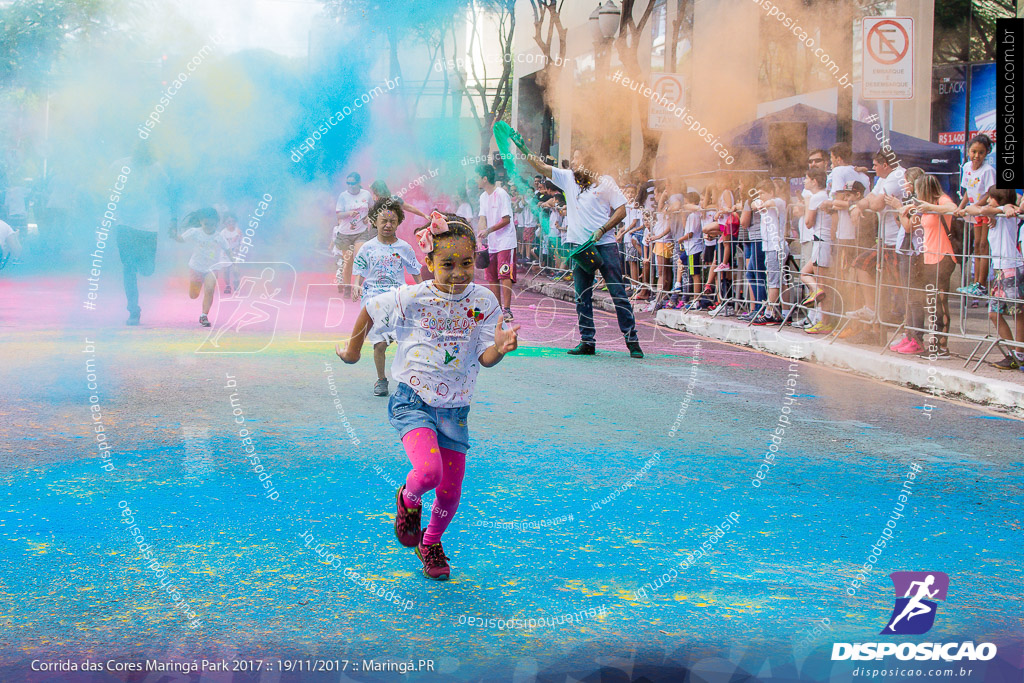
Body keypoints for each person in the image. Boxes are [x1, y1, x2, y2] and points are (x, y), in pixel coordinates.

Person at [335, 213, 519, 580]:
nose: (458, 272)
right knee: (429, 473)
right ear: (429, 263)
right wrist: (354, 351)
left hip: (455, 410)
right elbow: (370, 310)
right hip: (412, 400)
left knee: (450, 495)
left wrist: (499, 348)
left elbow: (485, 358)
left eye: (466, 263)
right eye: (447, 264)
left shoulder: (483, 301)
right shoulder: (413, 296)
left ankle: (430, 542)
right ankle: (409, 498)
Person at [525, 150, 644, 358]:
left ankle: (632, 341)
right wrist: (523, 148)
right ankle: (587, 341)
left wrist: (603, 229)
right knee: (582, 295)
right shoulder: (568, 178)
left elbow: (622, 210)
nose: (573, 161)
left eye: (578, 157)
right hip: (579, 247)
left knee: (618, 294)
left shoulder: (605, 181)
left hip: (604, 245)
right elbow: (541, 168)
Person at [352, 197, 423, 396]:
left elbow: (416, 271)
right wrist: (357, 285)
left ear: (398, 222)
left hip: (398, 299)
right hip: (374, 300)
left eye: (392, 221)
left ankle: (408, 380)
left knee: (406, 343)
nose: (388, 225)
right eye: (384, 221)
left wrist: (426, 291)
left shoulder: (405, 248)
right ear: (375, 221)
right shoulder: (367, 247)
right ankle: (381, 380)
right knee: (380, 343)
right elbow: (359, 270)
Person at [114, 143, 176, 326]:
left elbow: (169, 192)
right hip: (125, 224)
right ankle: (133, 310)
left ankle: (142, 264)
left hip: (148, 225)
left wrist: (173, 219)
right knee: (128, 267)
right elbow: (106, 190)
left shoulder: (156, 168)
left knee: (148, 270)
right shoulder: (119, 166)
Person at [965, 189, 1024, 369]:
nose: (987, 201)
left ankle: (1019, 353)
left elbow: (981, 210)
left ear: (998, 199)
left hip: (1011, 267)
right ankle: (1015, 352)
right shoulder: (999, 213)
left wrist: (1005, 207)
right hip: (1000, 268)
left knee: (1018, 313)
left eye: (990, 197)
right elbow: (972, 209)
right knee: (994, 313)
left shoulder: (1010, 215)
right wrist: (1000, 209)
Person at [170, 207, 233, 327]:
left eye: (212, 224)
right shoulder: (195, 232)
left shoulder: (219, 236)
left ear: (217, 223)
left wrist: (234, 263)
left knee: (209, 290)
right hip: (196, 267)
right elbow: (181, 239)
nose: (209, 227)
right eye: (206, 224)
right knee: (194, 295)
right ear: (201, 221)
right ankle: (194, 290)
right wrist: (174, 236)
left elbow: (228, 250)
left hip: (212, 268)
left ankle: (204, 316)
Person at [956, 134, 997, 301]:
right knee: (976, 245)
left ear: (986, 153)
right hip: (974, 211)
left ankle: (981, 283)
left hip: (983, 211)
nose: (976, 156)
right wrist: (960, 207)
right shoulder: (966, 167)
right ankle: (975, 282)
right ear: (968, 151)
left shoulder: (988, 171)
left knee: (983, 245)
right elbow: (967, 191)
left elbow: (989, 193)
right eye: (973, 151)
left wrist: (977, 207)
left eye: (981, 152)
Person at [474, 164, 518, 320]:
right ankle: (496, 310)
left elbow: (506, 219)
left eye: (477, 177)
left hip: (506, 241)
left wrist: (488, 231)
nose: (475, 180)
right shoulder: (483, 197)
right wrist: (480, 238)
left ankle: (507, 310)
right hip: (492, 243)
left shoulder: (501, 194)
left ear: (485, 179)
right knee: (491, 276)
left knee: (504, 274)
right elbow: (482, 218)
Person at [800, 169, 834, 334]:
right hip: (820, 241)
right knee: (805, 273)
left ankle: (825, 321)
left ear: (814, 181)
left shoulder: (817, 197)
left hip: (822, 241)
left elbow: (808, 222)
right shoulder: (823, 196)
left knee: (823, 285)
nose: (804, 182)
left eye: (806, 178)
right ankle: (822, 318)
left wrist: (807, 203)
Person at [751, 181, 787, 325]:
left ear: (771, 192)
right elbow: (754, 204)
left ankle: (769, 313)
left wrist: (763, 203)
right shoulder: (761, 202)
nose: (760, 196)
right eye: (759, 193)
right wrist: (759, 202)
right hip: (769, 245)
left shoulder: (779, 202)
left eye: (763, 193)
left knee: (774, 280)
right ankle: (785, 312)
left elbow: (772, 202)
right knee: (781, 279)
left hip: (776, 246)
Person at [334, 172, 373, 300]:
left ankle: (357, 286)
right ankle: (347, 287)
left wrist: (369, 217)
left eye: (353, 183)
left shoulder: (366, 194)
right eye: (348, 183)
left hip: (361, 232)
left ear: (359, 183)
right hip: (345, 233)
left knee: (359, 258)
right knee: (348, 262)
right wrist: (349, 213)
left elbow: (373, 208)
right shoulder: (343, 196)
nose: (350, 186)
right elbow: (339, 215)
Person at [220, 212, 242, 294]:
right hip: (225, 254)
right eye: (229, 221)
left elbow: (241, 242)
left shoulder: (238, 231)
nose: (231, 223)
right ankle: (228, 286)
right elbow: (220, 244)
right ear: (225, 223)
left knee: (235, 270)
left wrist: (238, 249)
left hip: (235, 254)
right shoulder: (223, 233)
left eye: (233, 221)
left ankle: (236, 284)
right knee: (226, 271)